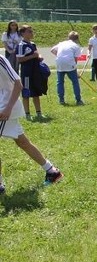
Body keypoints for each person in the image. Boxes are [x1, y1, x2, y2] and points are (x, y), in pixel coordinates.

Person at [0, 54, 63, 192]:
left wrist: (8, 108)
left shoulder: (0, 60)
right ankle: (52, 171)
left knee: (22, 142)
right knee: (22, 142)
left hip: (5, 109)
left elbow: (18, 83)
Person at [15, 25, 47, 121]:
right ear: (23, 33)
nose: (31, 33)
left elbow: (37, 53)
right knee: (26, 92)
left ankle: (39, 113)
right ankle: (27, 114)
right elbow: (20, 59)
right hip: (27, 73)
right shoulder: (21, 45)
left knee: (36, 92)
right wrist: (33, 56)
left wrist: (39, 56)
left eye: (31, 31)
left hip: (35, 71)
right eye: (29, 31)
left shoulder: (32, 44)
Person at [50, 32, 85, 106]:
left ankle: (61, 100)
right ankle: (78, 100)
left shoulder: (62, 43)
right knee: (75, 82)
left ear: (68, 37)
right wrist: (75, 70)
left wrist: (60, 56)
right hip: (69, 63)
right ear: (77, 39)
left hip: (59, 62)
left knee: (60, 82)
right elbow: (75, 60)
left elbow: (52, 50)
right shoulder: (75, 46)